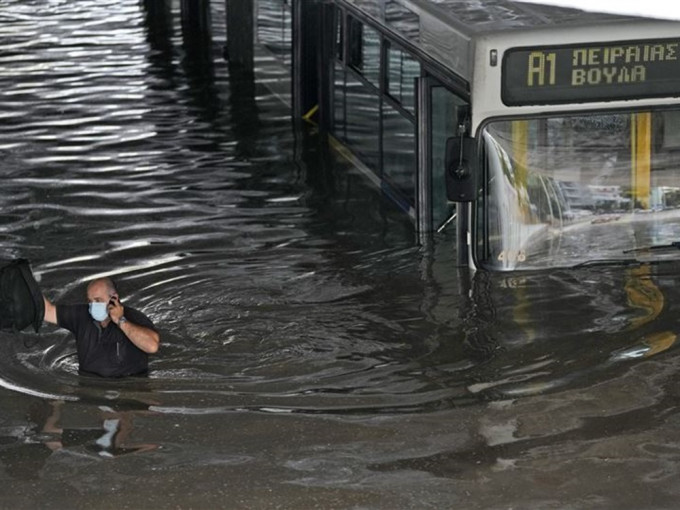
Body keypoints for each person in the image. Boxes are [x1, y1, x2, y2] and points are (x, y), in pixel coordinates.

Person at [42, 277, 160, 377]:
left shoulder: (135, 318)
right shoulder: (82, 315)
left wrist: (120, 320)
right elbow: (47, 312)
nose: (93, 306)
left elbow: (152, 346)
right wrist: (25, 277)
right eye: (90, 301)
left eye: (98, 300)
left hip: (129, 387)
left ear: (114, 298)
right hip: (88, 384)